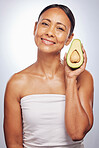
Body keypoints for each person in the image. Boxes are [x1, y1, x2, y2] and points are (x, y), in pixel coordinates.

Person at [4, 4, 94, 148]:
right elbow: (14, 144)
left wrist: (70, 79)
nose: (50, 32)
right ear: (35, 28)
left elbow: (77, 133)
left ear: (69, 39)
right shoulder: (16, 83)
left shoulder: (83, 78)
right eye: (45, 24)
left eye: (60, 28)